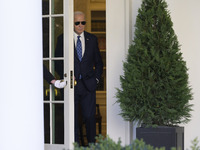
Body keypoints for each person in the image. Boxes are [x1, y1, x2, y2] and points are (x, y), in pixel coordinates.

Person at [55, 11, 103, 144]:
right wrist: (65, 78)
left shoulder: (92, 39)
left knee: (89, 117)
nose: (80, 25)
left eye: (83, 22)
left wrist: (96, 79)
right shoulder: (63, 39)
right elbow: (57, 61)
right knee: (73, 119)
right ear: (72, 23)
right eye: (77, 23)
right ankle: (75, 145)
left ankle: (92, 145)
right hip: (71, 85)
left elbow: (99, 63)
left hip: (88, 85)